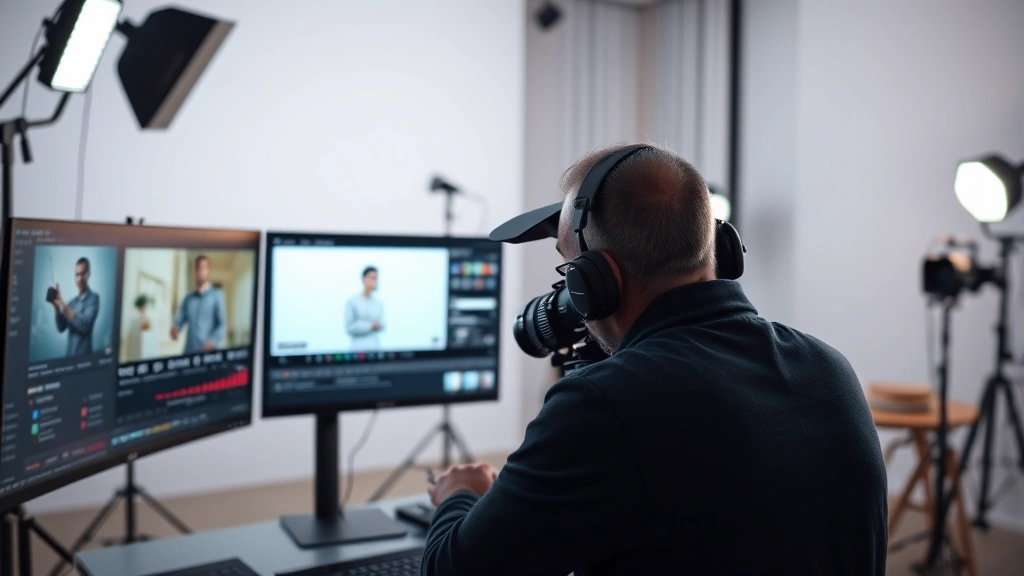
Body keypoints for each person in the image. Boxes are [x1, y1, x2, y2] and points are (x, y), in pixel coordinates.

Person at [422, 145, 888, 575]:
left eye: (570, 272)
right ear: (720, 248)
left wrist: (458, 496)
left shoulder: (603, 405)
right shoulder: (832, 370)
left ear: (597, 282)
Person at [171, 255, 226, 354]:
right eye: (197, 267)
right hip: (189, 352)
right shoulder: (188, 298)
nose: (200, 271)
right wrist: (175, 328)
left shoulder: (217, 295)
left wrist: (213, 341)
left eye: (203, 267)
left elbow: (221, 325)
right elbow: (179, 320)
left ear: (208, 271)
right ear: (194, 271)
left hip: (208, 354)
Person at [52, 257, 99, 357]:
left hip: (84, 360)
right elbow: (61, 327)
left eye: (82, 274)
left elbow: (85, 325)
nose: (79, 279)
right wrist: (56, 307)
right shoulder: (72, 303)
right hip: (69, 358)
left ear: (88, 274)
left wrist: (63, 305)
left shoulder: (94, 298)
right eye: (77, 274)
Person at [345, 266, 384, 350]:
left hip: (375, 348)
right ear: (364, 279)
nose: (374, 281)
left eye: (376, 278)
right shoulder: (353, 302)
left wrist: (378, 325)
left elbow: (382, 324)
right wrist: (370, 326)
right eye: (372, 278)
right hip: (358, 349)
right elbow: (349, 328)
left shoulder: (378, 304)